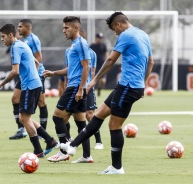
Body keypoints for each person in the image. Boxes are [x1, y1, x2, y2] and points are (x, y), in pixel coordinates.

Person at [58, 11, 154, 174]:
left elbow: (110, 60)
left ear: (118, 24)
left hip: (128, 87)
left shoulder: (125, 35)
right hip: (131, 86)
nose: (115, 33)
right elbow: (150, 62)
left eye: (113, 30)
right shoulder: (143, 34)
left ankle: (117, 167)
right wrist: (143, 85)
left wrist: (94, 80)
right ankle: (72, 145)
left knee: (114, 125)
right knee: (99, 114)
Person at [0, 24, 57, 157]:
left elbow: (15, 71)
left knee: (24, 119)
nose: (1, 39)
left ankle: (38, 150)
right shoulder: (23, 44)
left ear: (11, 35)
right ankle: (49, 140)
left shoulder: (15, 47)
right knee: (25, 118)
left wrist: (0, 84)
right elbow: (37, 63)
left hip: (29, 86)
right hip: (33, 84)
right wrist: (32, 74)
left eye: (3, 36)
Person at [43, 16, 92, 163]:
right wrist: (54, 73)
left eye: (66, 28)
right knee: (80, 122)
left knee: (58, 117)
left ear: (76, 28)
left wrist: (80, 88)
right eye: (63, 27)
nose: (63, 30)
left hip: (76, 87)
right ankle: (87, 155)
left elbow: (86, 67)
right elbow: (72, 69)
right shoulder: (73, 45)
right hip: (76, 86)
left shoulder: (81, 44)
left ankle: (64, 151)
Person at [8, 19, 48, 140]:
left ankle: (42, 132)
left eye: (20, 27)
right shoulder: (23, 41)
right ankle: (21, 129)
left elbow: (39, 58)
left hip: (36, 74)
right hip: (26, 76)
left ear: (27, 27)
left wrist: (33, 73)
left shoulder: (33, 39)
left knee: (41, 102)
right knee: (15, 98)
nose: (18, 29)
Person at [90, 32, 108, 96]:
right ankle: (92, 91)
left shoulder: (103, 45)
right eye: (98, 38)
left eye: (101, 38)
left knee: (103, 80)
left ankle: (99, 88)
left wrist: (107, 61)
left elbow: (106, 54)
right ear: (96, 38)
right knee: (93, 78)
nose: (99, 39)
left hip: (102, 64)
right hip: (94, 65)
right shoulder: (92, 46)